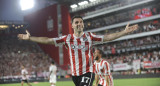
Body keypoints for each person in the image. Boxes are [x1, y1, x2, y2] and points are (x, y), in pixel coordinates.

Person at [18, 15, 138, 86]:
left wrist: (124, 32)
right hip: (75, 75)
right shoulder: (67, 38)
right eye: (77, 22)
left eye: (81, 22)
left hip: (88, 72)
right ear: (73, 25)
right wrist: (30, 38)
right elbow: (48, 40)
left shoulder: (90, 37)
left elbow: (107, 37)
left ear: (83, 25)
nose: (79, 24)